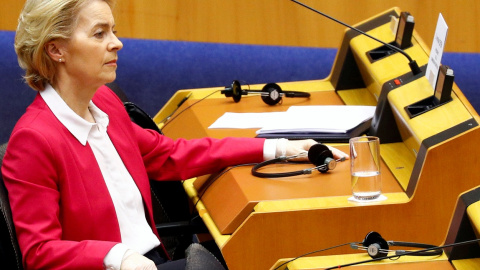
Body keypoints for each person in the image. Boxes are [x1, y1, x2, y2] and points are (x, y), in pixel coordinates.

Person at [1, 0, 349, 269]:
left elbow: (170, 155)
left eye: (114, 31)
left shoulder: (103, 101)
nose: (117, 43)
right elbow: (40, 253)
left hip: (159, 258)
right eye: (99, 33)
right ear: (56, 50)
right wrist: (115, 257)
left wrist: (279, 148)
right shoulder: (34, 140)